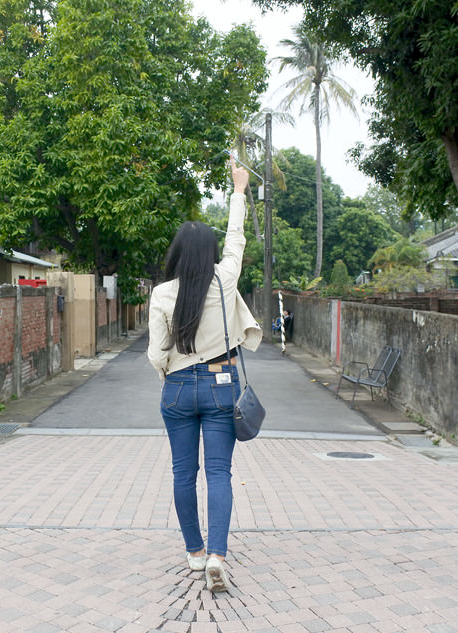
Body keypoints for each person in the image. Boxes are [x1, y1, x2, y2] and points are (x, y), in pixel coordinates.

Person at [147, 157, 262, 593]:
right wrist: (238, 189)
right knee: (219, 473)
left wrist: (169, 371)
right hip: (220, 385)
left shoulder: (161, 293)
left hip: (177, 389)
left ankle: (194, 553)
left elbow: (157, 352)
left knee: (182, 473)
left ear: (176, 253)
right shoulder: (224, 280)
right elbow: (236, 239)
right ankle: (218, 554)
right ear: (209, 253)